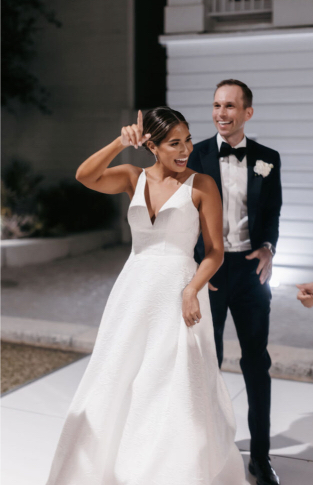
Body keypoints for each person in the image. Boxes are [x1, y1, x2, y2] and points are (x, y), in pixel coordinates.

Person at [45, 107, 248, 485]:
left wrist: (192, 289)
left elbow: (216, 251)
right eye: (175, 143)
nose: (186, 148)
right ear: (151, 145)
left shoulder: (202, 184)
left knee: (174, 381)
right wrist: (119, 143)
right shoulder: (131, 177)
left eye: (187, 139)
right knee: (118, 373)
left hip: (180, 289)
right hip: (134, 289)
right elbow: (85, 175)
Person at [187, 79, 282, 485]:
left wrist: (268, 247)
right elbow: (181, 216)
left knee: (256, 363)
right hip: (209, 269)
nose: (221, 114)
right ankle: (205, 449)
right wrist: (193, 270)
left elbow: (273, 210)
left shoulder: (268, 158)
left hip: (249, 272)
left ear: (247, 113)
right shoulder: (193, 155)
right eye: (215, 106)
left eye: (229, 106)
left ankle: (260, 458)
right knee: (205, 361)